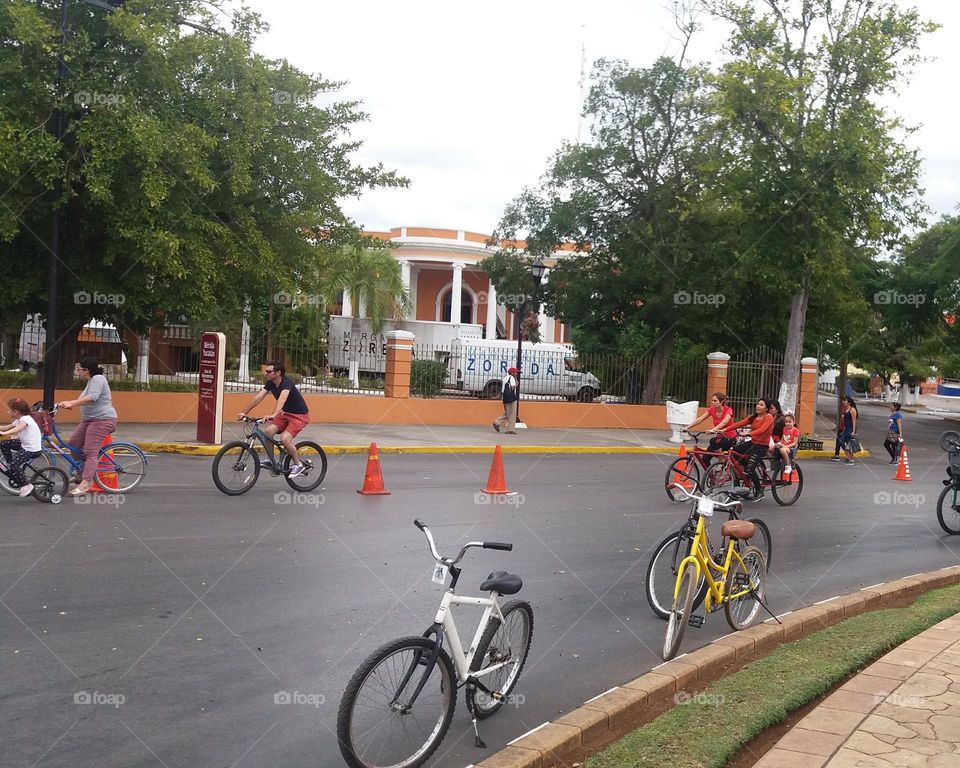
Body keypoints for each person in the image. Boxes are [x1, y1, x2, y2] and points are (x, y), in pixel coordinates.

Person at [55, 356, 117, 496]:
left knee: (90, 452)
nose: (77, 371)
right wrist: (66, 404)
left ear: (86, 370)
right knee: (74, 444)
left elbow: (92, 398)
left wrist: (71, 402)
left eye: (78, 369)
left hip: (102, 420)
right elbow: (84, 399)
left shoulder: (98, 379)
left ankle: (86, 483)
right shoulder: (91, 381)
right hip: (89, 420)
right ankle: (81, 473)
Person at [238, 361, 310, 476]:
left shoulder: (286, 383)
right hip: (285, 413)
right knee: (268, 431)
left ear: (278, 373)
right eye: (266, 371)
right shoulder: (271, 383)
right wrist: (244, 412)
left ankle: (298, 464)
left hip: (299, 416)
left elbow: (282, 399)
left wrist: (274, 415)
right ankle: (270, 460)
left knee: (285, 439)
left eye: (268, 371)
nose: (266, 373)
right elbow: (258, 397)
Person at [727, 398, 775, 500]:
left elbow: (762, 430)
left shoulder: (769, 417)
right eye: (757, 404)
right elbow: (739, 423)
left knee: (750, 469)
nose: (758, 406)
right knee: (734, 452)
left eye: (761, 405)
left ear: (766, 408)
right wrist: (723, 429)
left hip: (761, 446)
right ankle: (744, 473)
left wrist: (749, 433)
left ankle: (759, 490)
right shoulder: (754, 417)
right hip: (752, 442)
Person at [0, 398, 43, 497]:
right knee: (3, 444)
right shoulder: (19, 419)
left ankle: (26, 485)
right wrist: (3, 431)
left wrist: (4, 433)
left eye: (9, 410)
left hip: (31, 449)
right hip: (24, 444)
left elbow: (18, 428)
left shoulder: (26, 419)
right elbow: (6, 427)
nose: (7, 412)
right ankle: (9, 463)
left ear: (16, 412)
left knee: (14, 466)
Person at [831, 395, 858, 465]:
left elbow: (854, 421)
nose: (843, 402)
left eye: (845, 400)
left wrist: (853, 431)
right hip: (846, 428)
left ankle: (851, 459)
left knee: (849, 444)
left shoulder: (852, 410)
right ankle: (848, 456)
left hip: (850, 428)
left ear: (849, 402)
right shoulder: (846, 409)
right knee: (840, 441)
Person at [493, 367, 519, 434]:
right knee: (512, 413)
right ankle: (510, 429)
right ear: (512, 373)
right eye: (515, 372)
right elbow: (513, 388)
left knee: (508, 412)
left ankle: (497, 422)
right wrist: (516, 384)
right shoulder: (512, 378)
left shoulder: (505, 378)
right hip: (512, 397)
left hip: (505, 397)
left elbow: (503, 390)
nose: (516, 373)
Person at [777, 411, 801, 478]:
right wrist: (779, 443)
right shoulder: (784, 429)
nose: (787, 423)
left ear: (793, 422)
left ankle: (788, 465)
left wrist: (785, 446)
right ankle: (774, 464)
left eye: (789, 422)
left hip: (791, 448)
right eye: (786, 422)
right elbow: (783, 438)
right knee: (771, 448)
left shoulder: (796, 430)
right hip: (784, 446)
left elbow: (795, 443)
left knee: (782, 450)